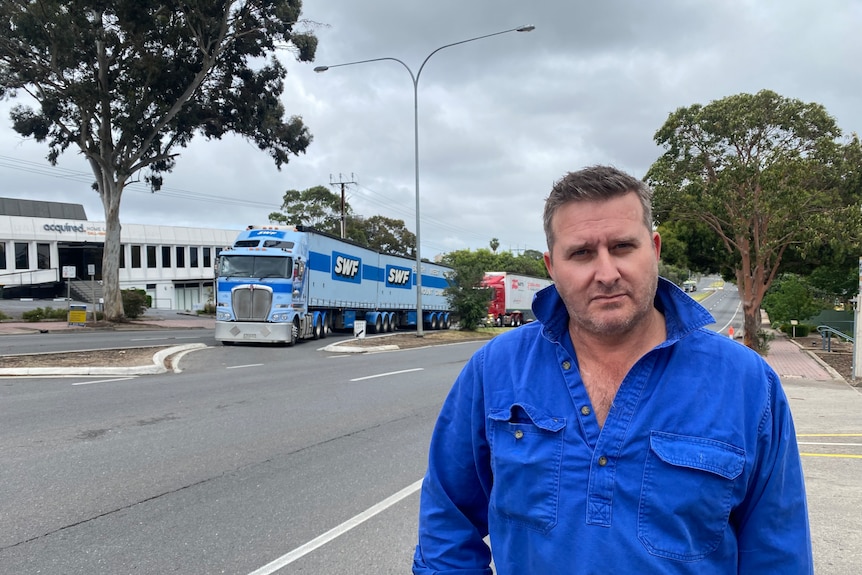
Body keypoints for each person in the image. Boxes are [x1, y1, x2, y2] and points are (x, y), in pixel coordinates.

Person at [412, 165, 812, 574]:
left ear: (654, 249)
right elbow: (447, 525)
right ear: (552, 266)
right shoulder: (495, 370)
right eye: (582, 253)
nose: (606, 273)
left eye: (622, 247)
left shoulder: (746, 384)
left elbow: (776, 555)